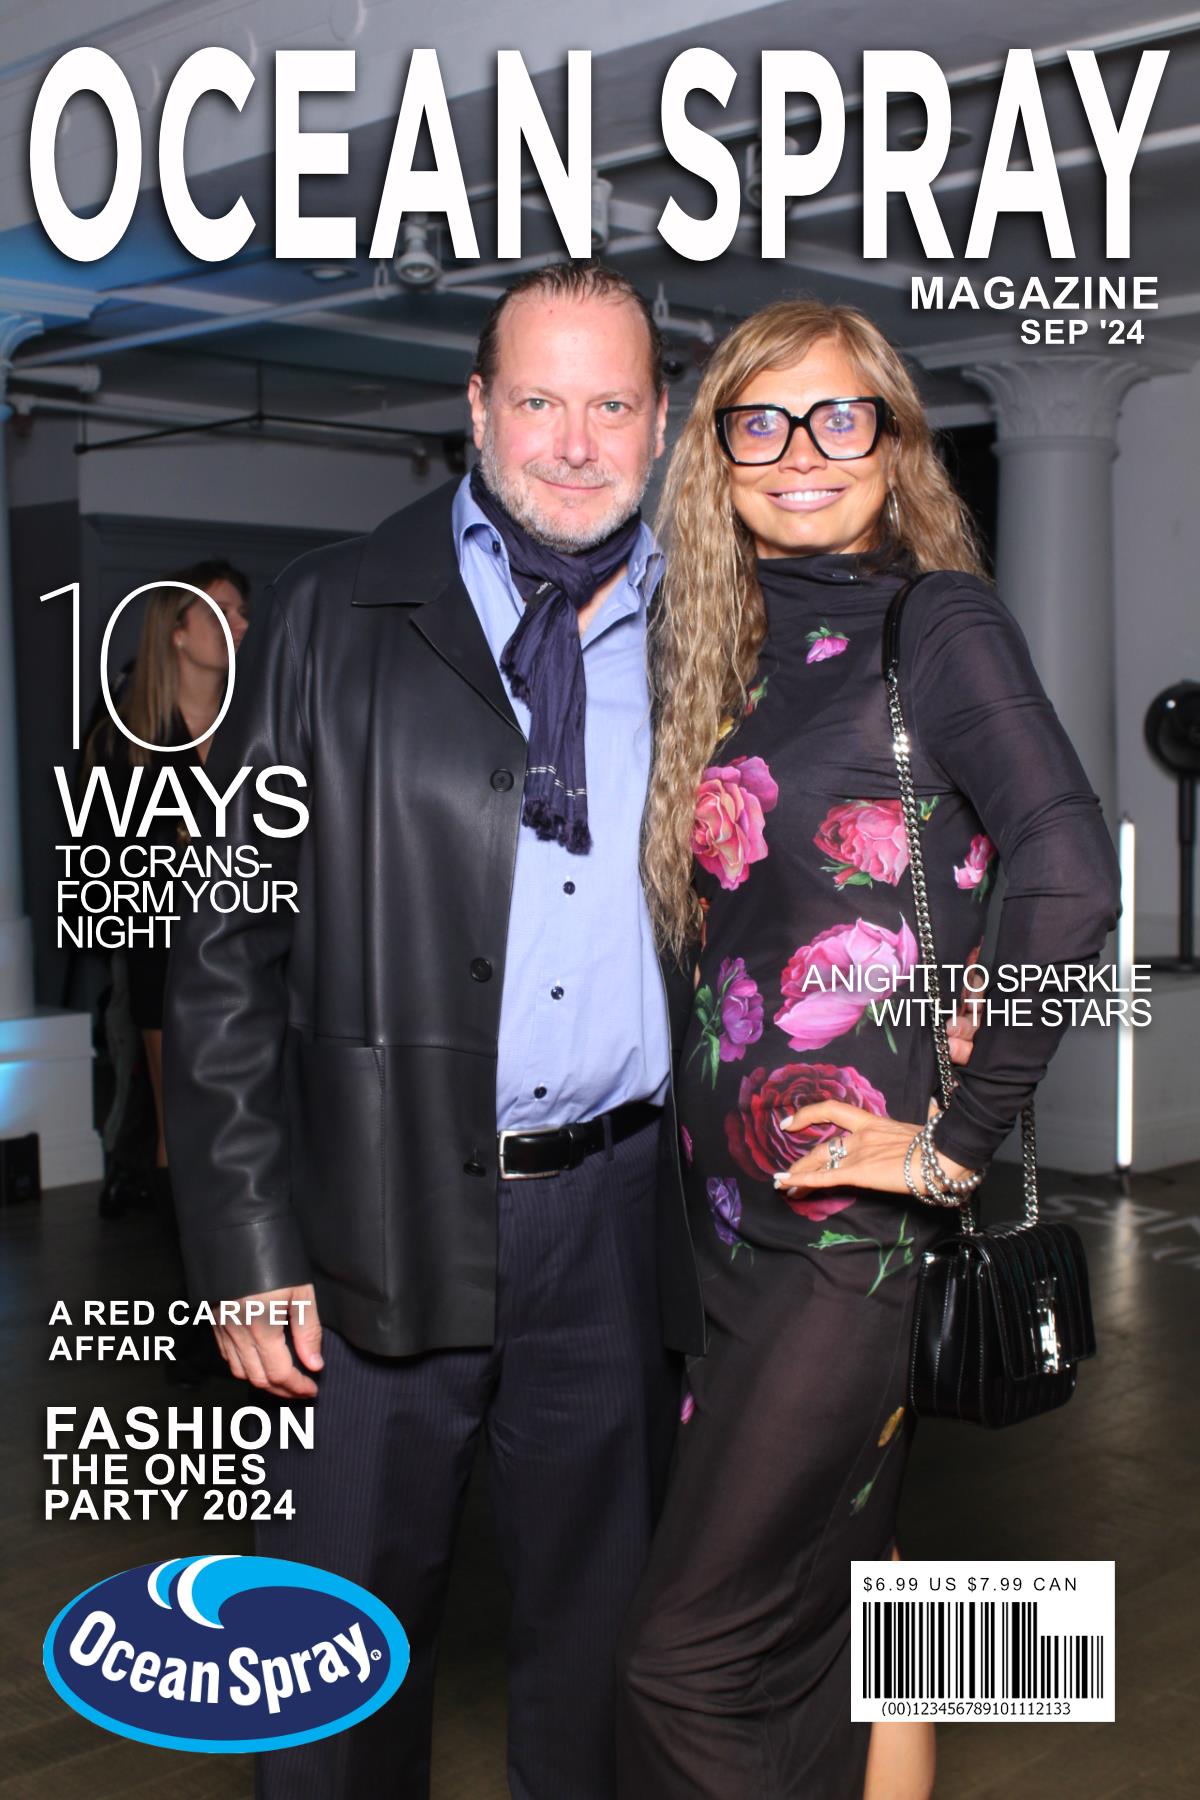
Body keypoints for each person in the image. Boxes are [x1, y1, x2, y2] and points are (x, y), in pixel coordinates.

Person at [162, 264, 706, 1798]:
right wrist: (246, 1242)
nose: (576, 442)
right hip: (370, 1215)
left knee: (600, 1649)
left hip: (617, 1219)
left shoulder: (706, 629)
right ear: (474, 408)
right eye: (539, 399)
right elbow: (222, 955)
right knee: (329, 1652)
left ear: (660, 421)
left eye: (611, 403)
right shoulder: (334, 610)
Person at [616, 300, 1122, 1799]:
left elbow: (1069, 872)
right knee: (856, 1593)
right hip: (727, 1218)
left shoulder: (935, 619)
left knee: (683, 1660)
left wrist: (958, 1144)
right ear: (717, 456)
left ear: (895, 440)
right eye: (759, 422)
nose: (800, 452)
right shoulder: (726, 645)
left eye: (841, 416)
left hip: (850, 1228)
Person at [83, 561, 248, 1219]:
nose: (239, 625)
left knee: (248, 1116)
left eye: (242, 613)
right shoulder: (126, 734)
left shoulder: (255, 722)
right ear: (177, 632)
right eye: (221, 612)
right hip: (165, 946)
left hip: (253, 945)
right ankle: (184, 1262)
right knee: (177, 1112)